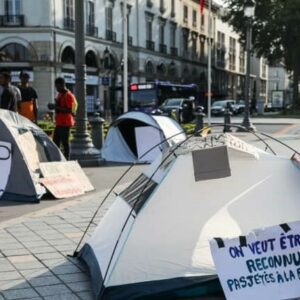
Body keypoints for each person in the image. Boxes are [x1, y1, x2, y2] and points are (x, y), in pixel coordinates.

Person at [49, 77, 75, 159]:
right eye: (56, 87)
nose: (57, 89)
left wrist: (55, 107)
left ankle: (67, 159)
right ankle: (59, 158)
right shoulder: (60, 94)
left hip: (65, 123)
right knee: (55, 141)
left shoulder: (69, 95)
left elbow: (69, 110)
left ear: (63, 85)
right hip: (60, 122)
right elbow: (60, 106)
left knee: (65, 143)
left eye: (58, 87)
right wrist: (54, 106)